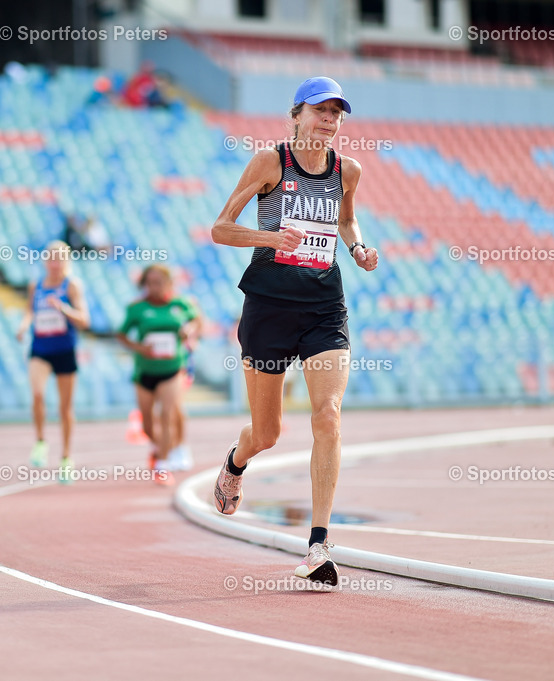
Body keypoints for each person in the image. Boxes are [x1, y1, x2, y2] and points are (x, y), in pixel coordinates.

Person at [210, 76, 378, 585]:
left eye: (337, 114)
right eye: (320, 111)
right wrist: (270, 236)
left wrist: (357, 248)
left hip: (324, 307)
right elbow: (220, 228)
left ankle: (319, 546)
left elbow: (347, 222)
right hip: (269, 307)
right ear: (298, 114)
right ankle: (237, 461)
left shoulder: (348, 170)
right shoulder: (269, 162)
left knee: (328, 415)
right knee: (268, 433)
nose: (329, 122)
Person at [117, 265, 201, 482]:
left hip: (173, 368)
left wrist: (189, 331)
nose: (154, 287)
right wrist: (139, 348)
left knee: (168, 413)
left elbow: (195, 320)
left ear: (169, 283)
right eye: (150, 283)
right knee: (146, 425)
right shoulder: (136, 308)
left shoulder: (180, 303)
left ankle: (163, 463)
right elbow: (122, 335)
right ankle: (164, 446)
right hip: (145, 371)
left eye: (159, 282)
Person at [16, 241, 90, 482]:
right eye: (51, 258)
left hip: (64, 350)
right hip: (40, 348)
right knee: (37, 394)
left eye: (60, 258)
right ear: (45, 260)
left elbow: (84, 320)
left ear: (66, 261)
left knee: (65, 407)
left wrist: (63, 309)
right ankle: (40, 442)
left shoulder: (71, 286)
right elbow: (30, 311)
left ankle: (66, 458)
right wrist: (24, 326)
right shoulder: (35, 286)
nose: (55, 263)